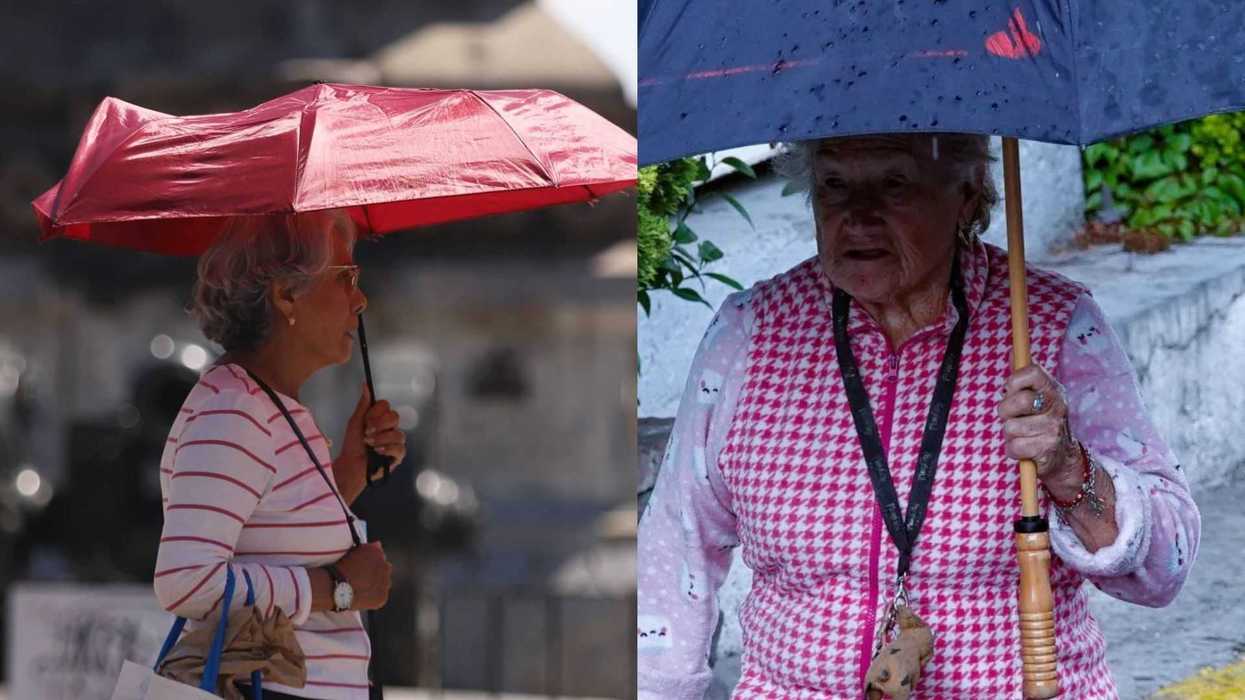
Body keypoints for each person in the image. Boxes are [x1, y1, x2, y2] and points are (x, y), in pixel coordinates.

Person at [637, 133, 1201, 698]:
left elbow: (1163, 571)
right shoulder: (752, 332)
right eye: (834, 184)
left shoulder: (1049, 328)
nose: (858, 217)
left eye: (894, 183)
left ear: (966, 191)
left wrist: (1069, 469)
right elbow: (677, 542)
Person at [153, 209, 406, 699]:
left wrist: (351, 474)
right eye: (346, 277)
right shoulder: (233, 412)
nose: (361, 300)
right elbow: (186, 581)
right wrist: (339, 588)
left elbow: (273, 531)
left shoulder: (268, 407)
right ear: (287, 293)